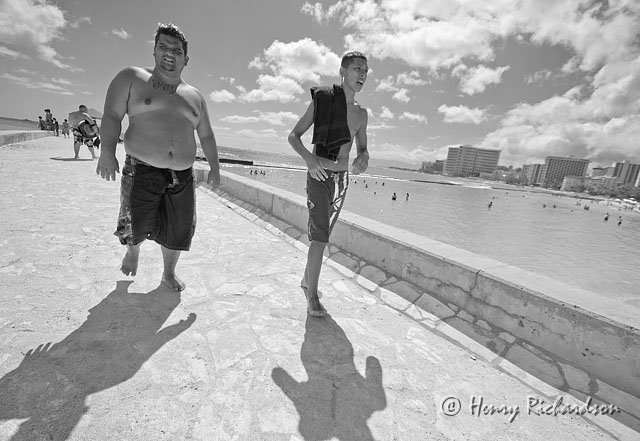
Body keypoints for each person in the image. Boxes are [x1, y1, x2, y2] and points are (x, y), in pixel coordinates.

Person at [96, 23, 220, 292]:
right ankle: (133, 252)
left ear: (186, 59)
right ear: (154, 51)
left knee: (179, 228)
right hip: (142, 167)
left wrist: (215, 168)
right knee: (134, 222)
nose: (169, 53)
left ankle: (168, 273)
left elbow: (207, 135)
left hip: (182, 175)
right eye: (163, 46)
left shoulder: (195, 97)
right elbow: (112, 115)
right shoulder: (132, 77)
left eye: (176, 50)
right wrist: (106, 152)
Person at [288, 51, 369, 317]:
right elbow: (294, 136)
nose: (363, 74)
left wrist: (364, 157)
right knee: (320, 238)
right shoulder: (322, 100)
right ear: (343, 72)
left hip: (341, 181)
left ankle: (306, 280)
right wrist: (310, 160)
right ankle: (312, 296)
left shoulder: (361, 114)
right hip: (319, 175)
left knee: (322, 236)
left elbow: (363, 148)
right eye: (358, 68)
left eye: (366, 70)